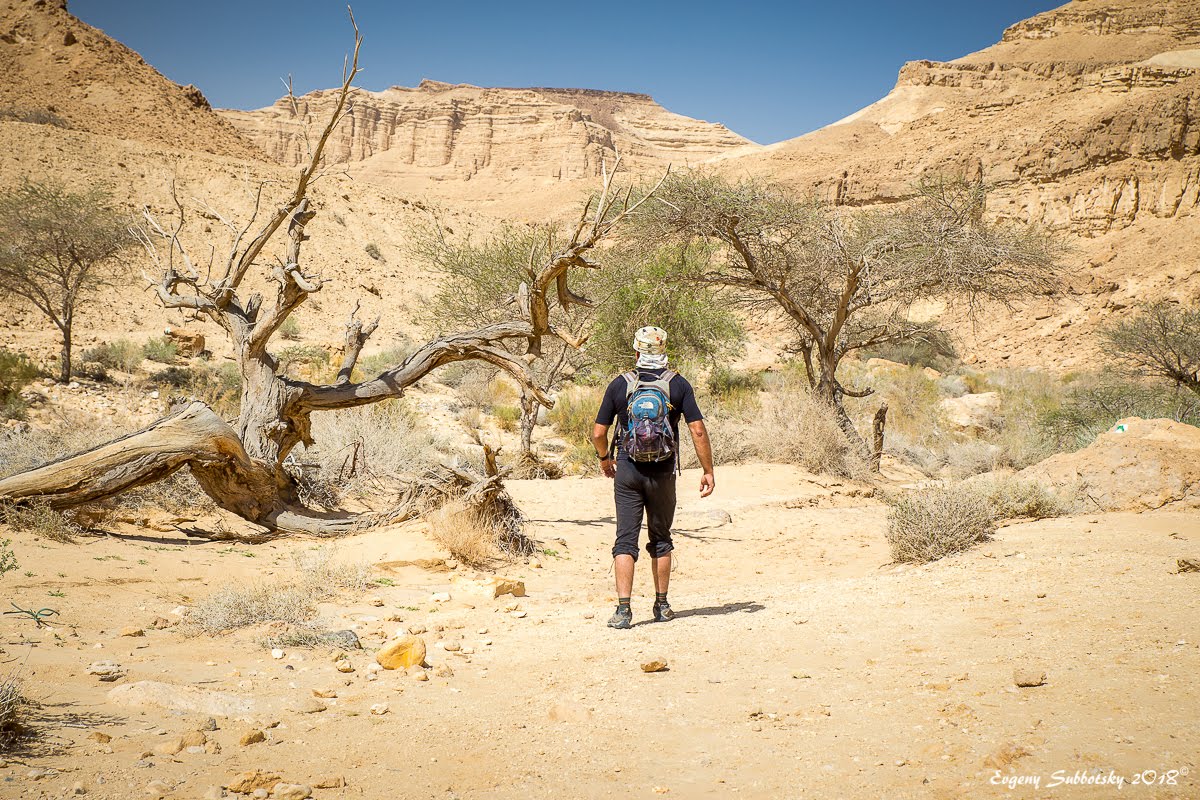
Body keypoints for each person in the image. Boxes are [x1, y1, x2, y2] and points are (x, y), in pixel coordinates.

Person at [591, 325, 715, 629]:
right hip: (663, 472)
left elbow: (598, 432)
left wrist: (606, 459)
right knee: (661, 538)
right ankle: (661, 606)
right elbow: (697, 430)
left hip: (628, 471)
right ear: (664, 352)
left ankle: (623, 611)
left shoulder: (620, 385)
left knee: (625, 540)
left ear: (636, 352)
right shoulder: (678, 385)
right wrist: (708, 470)